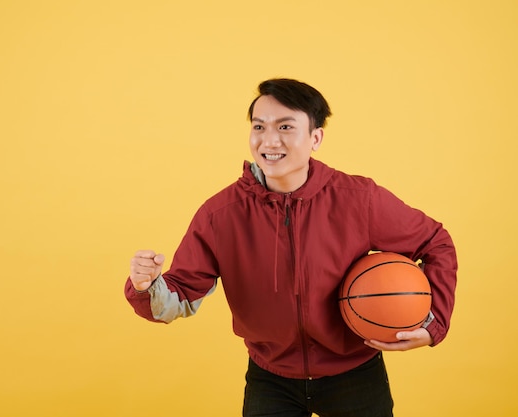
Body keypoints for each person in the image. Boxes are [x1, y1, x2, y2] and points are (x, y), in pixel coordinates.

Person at [124, 78, 457, 417]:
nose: (269, 140)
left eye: (285, 126)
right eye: (259, 126)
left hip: (355, 374)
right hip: (271, 379)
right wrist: (147, 285)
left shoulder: (359, 199)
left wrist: (434, 325)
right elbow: (179, 295)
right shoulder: (220, 215)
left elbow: (436, 243)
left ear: (315, 138)